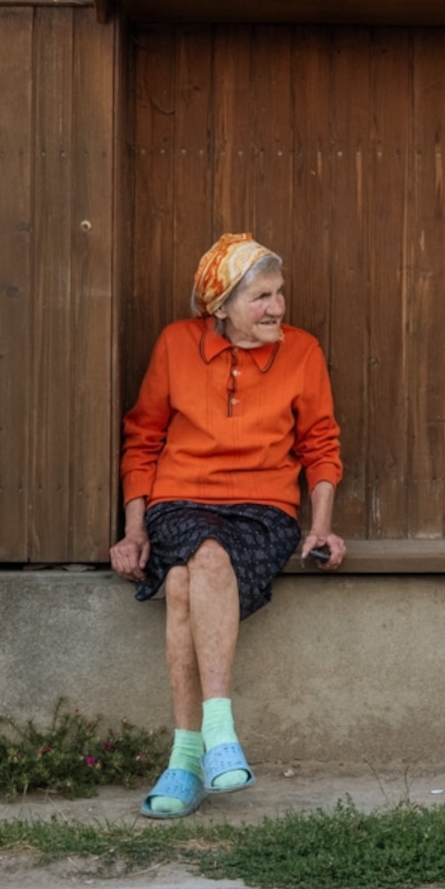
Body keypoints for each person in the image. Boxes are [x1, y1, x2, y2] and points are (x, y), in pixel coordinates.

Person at [111, 232, 346, 818]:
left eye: (279, 293)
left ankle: (186, 758)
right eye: (261, 297)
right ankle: (220, 734)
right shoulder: (175, 345)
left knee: (186, 581)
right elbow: (143, 440)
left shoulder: (302, 353)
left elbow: (321, 445)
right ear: (220, 305)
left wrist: (321, 526)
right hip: (179, 501)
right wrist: (135, 530)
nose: (277, 308)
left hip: (265, 509)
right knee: (204, 557)